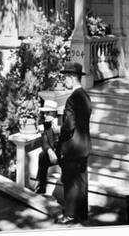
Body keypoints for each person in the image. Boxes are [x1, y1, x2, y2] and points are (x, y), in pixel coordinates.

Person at [57, 62, 92, 224]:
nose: (64, 81)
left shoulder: (72, 99)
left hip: (72, 147)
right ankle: (82, 214)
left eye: (66, 77)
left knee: (71, 181)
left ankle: (70, 214)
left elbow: (69, 125)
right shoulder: (85, 96)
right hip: (84, 146)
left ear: (72, 78)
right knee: (82, 180)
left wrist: (60, 131)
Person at [33, 99, 60, 194]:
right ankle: (41, 185)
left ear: (53, 113)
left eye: (46, 113)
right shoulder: (47, 125)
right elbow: (44, 142)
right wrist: (49, 151)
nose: (44, 115)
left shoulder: (63, 122)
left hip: (64, 152)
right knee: (42, 155)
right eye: (44, 113)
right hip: (53, 153)